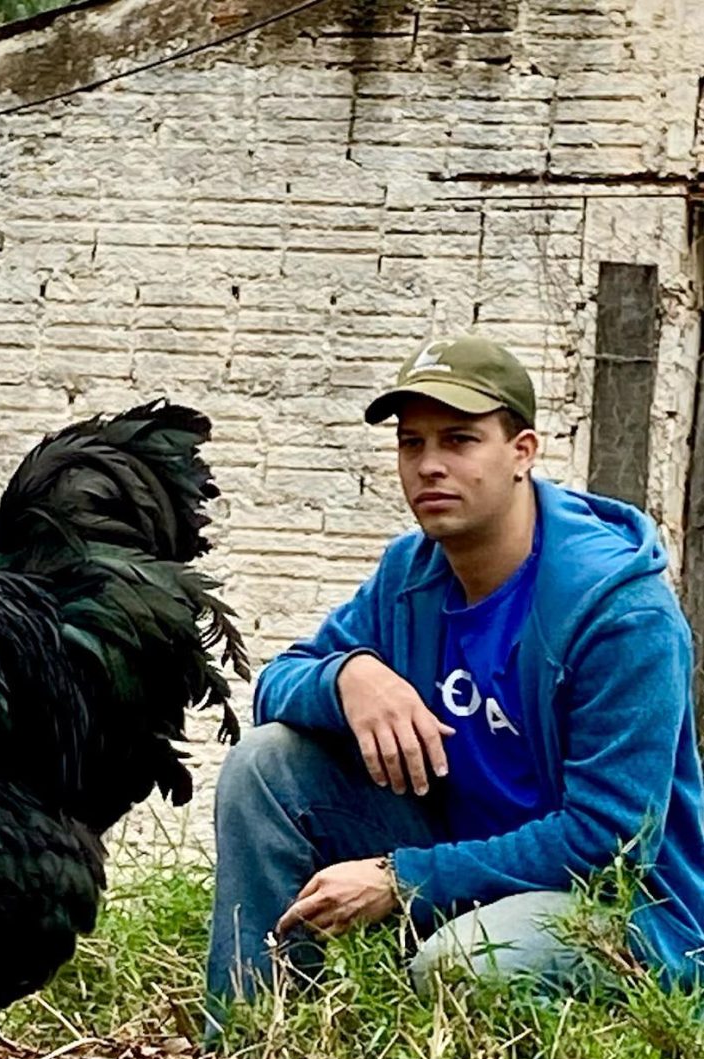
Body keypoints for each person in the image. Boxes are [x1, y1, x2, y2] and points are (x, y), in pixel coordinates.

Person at [207, 334, 704, 1012]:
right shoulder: (410, 575)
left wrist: (402, 877)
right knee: (266, 762)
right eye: (411, 443)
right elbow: (278, 683)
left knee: (464, 963)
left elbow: (605, 836)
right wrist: (350, 677)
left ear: (520, 453)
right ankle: (247, 1035)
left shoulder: (617, 611)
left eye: (459, 441)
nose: (429, 466)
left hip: (619, 907)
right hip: (462, 861)